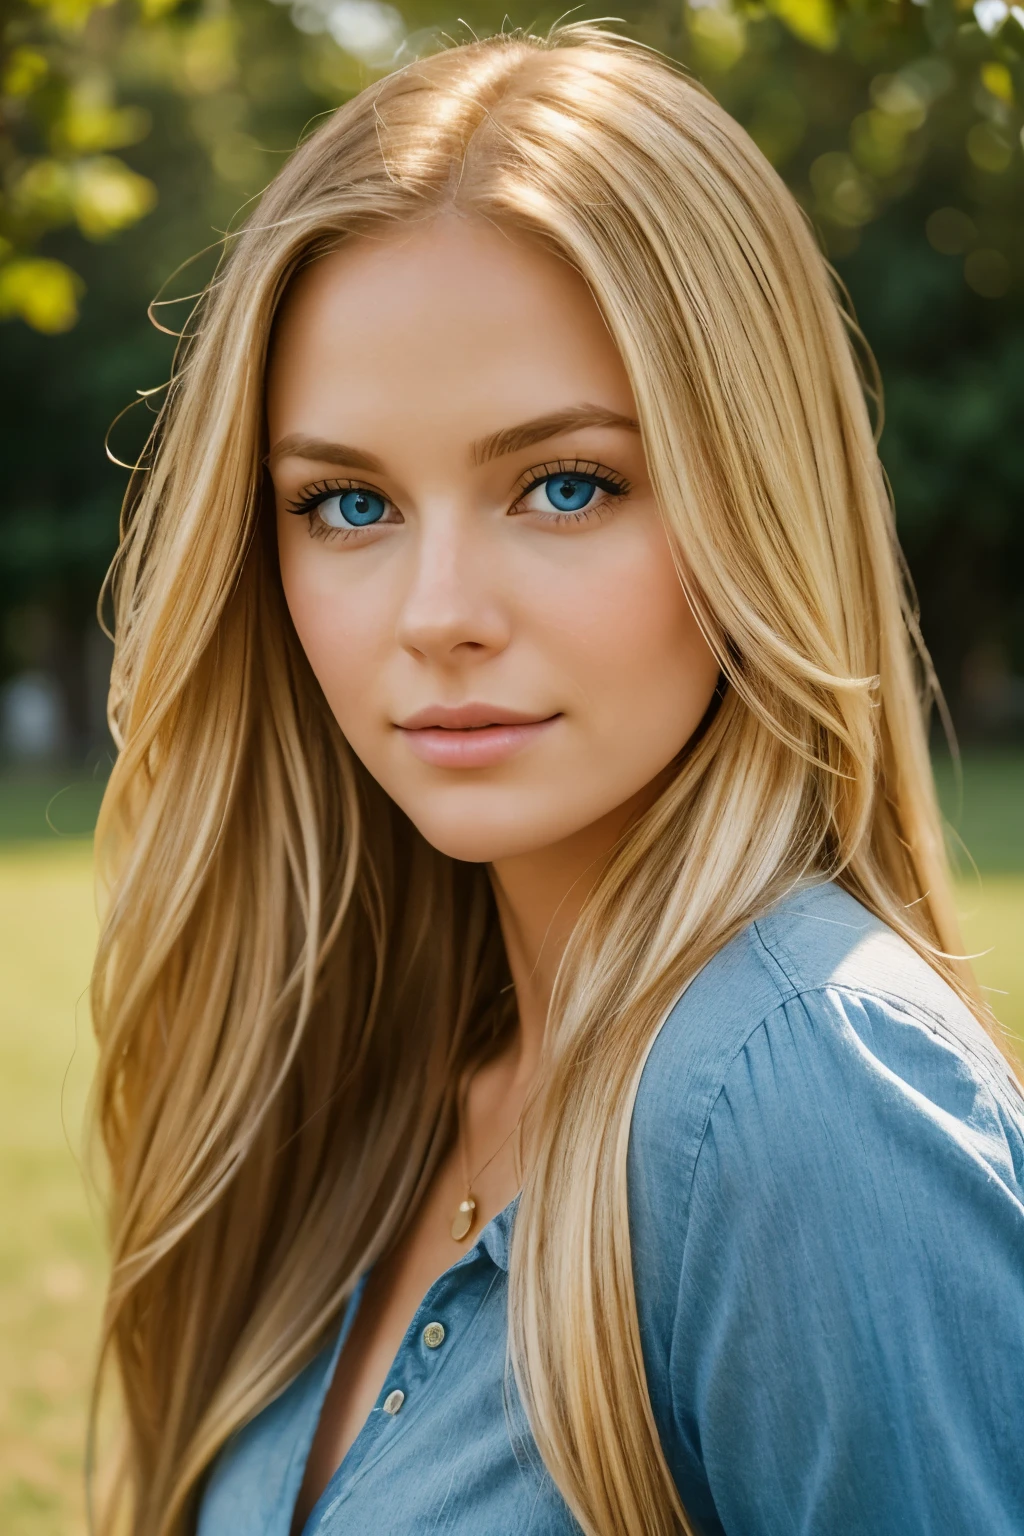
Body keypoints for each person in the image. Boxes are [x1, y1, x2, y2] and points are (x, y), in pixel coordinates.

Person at [87, 22, 1024, 1536]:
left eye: (566, 484)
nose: (436, 610)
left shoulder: (799, 1103)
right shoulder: (386, 1083)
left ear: (752, 499)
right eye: (346, 502)